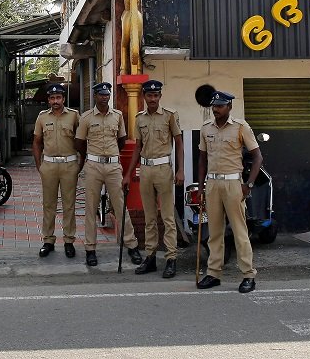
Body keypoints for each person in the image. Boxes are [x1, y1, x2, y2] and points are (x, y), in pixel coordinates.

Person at [196, 90, 262, 293]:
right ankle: (213, 273)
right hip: (213, 185)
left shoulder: (241, 127)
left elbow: (257, 157)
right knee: (214, 232)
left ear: (229, 107)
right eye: (214, 106)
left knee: (239, 232)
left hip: (234, 184)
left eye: (220, 106)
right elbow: (202, 159)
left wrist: (248, 185)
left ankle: (248, 275)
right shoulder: (206, 128)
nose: (216, 109)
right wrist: (200, 187)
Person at [74, 82, 142, 267]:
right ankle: (90, 248)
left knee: (120, 206)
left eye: (107, 94)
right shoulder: (86, 117)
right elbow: (79, 143)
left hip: (113, 166)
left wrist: (111, 155)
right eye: (101, 94)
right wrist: (91, 156)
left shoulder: (118, 116)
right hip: (93, 165)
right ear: (95, 96)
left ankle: (132, 245)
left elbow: (121, 140)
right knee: (90, 208)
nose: (105, 97)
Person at [123, 79, 184, 278]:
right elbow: (138, 148)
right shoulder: (139, 118)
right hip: (146, 170)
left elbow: (179, 144)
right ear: (144, 97)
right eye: (149, 95)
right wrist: (128, 173)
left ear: (160, 96)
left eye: (156, 95)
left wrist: (180, 170)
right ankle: (150, 257)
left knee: (167, 218)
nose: (153, 99)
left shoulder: (169, 116)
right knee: (150, 218)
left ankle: (171, 259)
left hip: (164, 169)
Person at [32, 82, 81, 258]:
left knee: (69, 205)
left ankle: (69, 241)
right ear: (48, 100)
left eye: (58, 97)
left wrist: (79, 165)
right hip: (50, 166)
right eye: (52, 98)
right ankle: (48, 240)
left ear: (63, 98)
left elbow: (82, 141)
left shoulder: (74, 116)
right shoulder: (42, 117)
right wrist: (39, 165)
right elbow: (37, 142)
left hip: (69, 165)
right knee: (49, 205)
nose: (55, 101)